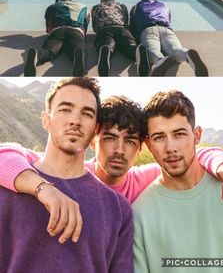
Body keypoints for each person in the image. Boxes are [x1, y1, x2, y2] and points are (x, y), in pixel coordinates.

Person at [0, 94, 223, 244]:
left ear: (142, 147)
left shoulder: (148, 179)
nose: (120, 150)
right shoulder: (65, 173)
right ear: (94, 140)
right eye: (110, 138)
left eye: (131, 141)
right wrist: (43, 188)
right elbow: (6, 154)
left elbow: (195, 155)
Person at [0, 78, 133, 273]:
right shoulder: (7, 190)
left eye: (87, 114)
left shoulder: (118, 209)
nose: (75, 121)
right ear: (45, 120)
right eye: (65, 109)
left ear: (96, 128)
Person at [133, 90, 223, 272]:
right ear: (148, 144)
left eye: (179, 134)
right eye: (159, 137)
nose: (170, 147)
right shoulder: (139, 215)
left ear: (196, 136)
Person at [130, 0, 208, 76]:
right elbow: (168, 21)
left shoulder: (136, 7)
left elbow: (133, 26)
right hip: (167, 30)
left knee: (152, 50)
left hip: (148, 30)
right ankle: (187, 54)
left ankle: (160, 60)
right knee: (176, 50)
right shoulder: (164, 6)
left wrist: (136, 40)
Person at [24, 0, 89, 77]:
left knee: (49, 51)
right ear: (70, 0)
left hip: (57, 31)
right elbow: (85, 26)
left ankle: (38, 55)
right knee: (77, 50)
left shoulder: (52, 7)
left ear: (57, 0)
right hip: (76, 32)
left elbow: (48, 29)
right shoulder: (83, 7)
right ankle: (78, 55)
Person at [91, 0, 150, 76]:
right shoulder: (121, 6)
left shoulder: (96, 7)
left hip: (105, 30)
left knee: (106, 43)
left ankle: (107, 48)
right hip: (122, 29)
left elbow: (95, 26)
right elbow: (126, 21)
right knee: (129, 47)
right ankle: (136, 49)